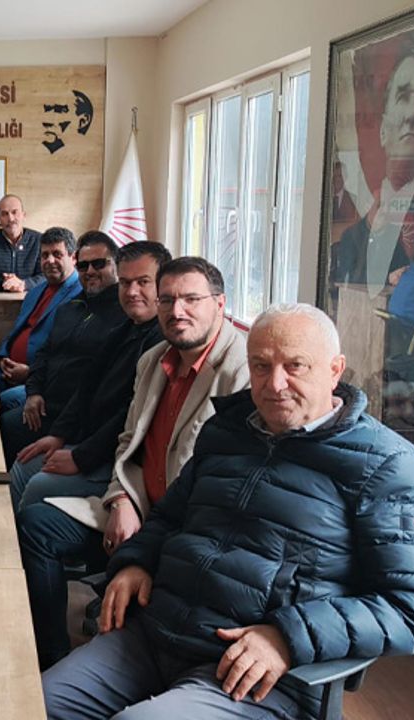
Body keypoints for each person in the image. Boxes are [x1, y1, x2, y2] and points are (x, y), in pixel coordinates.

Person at [42, 304, 414, 720]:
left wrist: (288, 638)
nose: (275, 384)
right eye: (261, 366)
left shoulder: (388, 467)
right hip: (155, 634)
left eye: (295, 366)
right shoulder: (227, 430)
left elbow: (413, 607)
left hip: (259, 674)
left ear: (335, 370)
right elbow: (168, 517)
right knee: (29, 704)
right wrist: (136, 561)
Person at [19, 256, 248, 669]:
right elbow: (129, 442)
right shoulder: (154, 359)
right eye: (168, 300)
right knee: (35, 525)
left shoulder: (243, 373)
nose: (177, 311)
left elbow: (230, 488)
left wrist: (150, 535)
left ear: (220, 303)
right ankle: (50, 654)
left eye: (191, 299)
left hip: (186, 528)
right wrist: (121, 498)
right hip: (137, 506)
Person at [9, 241, 169, 511]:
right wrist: (59, 435)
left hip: (119, 460)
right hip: (83, 435)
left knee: (37, 482)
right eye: (126, 282)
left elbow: (131, 416)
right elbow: (87, 386)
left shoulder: (161, 341)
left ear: (162, 287)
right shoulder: (124, 328)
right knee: (23, 464)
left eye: (143, 282)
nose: (132, 292)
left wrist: (80, 457)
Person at [331, 45, 414, 296]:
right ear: (383, 131)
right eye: (403, 96)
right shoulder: (352, 240)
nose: (412, 114)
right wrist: (373, 234)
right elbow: (346, 296)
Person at [0, 232, 125, 465]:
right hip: (45, 396)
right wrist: (34, 392)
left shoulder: (122, 317)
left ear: (116, 265)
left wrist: (60, 432)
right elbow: (45, 352)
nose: (90, 271)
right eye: (84, 265)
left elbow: (92, 386)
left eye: (99, 264)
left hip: (71, 416)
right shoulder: (70, 308)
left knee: (4, 424)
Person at [0, 227, 81, 403]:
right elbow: (16, 330)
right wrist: (3, 357)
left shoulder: (80, 295)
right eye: (45, 255)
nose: (50, 260)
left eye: (57, 254)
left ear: (73, 258)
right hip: (8, 370)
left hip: (41, 381)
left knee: (1, 402)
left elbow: (68, 355)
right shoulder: (35, 291)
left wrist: (30, 373)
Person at [0, 194, 43, 292]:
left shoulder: (39, 240)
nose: (10, 218)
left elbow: (45, 276)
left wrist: (24, 284)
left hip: (31, 297)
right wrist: (6, 283)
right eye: (4, 214)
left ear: (24, 216)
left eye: (14, 212)